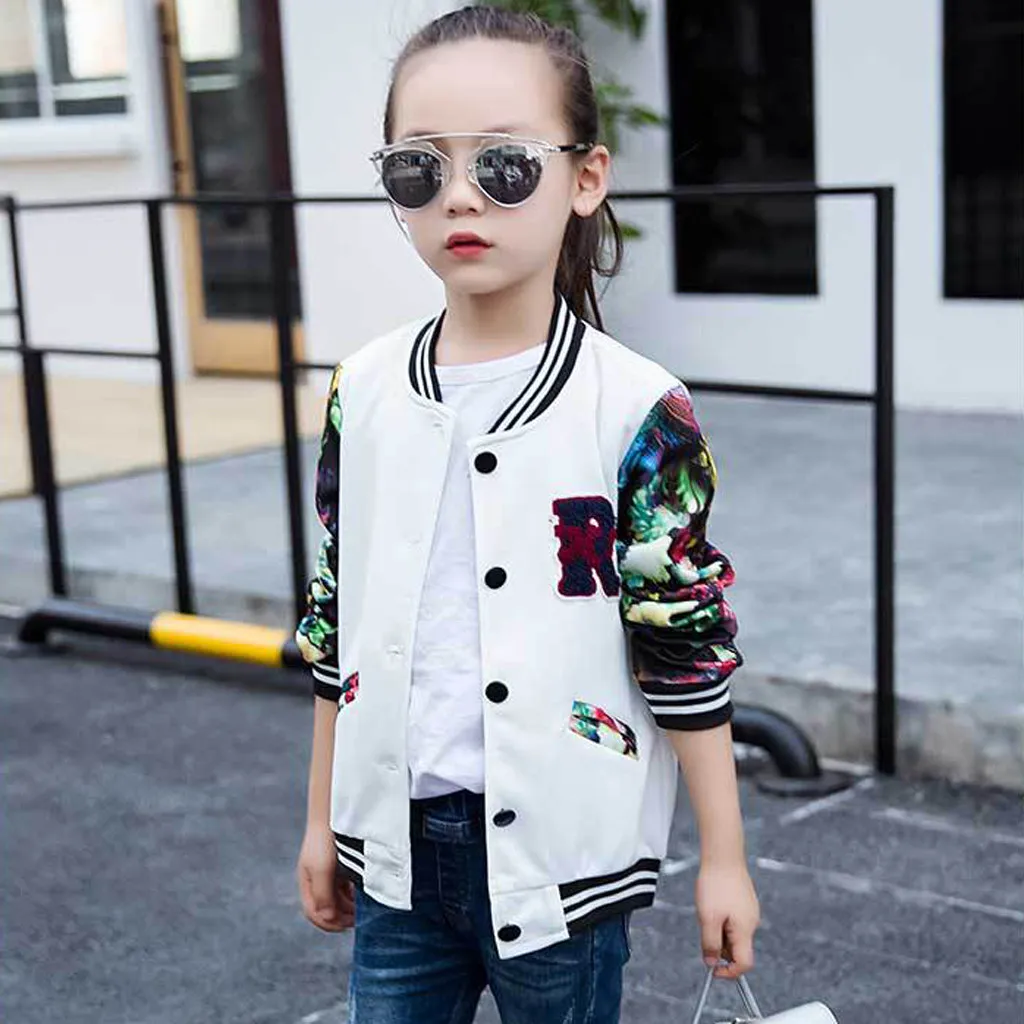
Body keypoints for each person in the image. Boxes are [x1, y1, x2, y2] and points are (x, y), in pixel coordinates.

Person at [294, 7, 760, 1023]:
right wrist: (324, 818)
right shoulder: (362, 391)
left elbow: (682, 641)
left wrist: (723, 860)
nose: (459, 195)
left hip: (565, 869)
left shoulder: (636, 408)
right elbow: (336, 617)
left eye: (503, 164)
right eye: (418, 168)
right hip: (393, 860)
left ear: (585, 178)